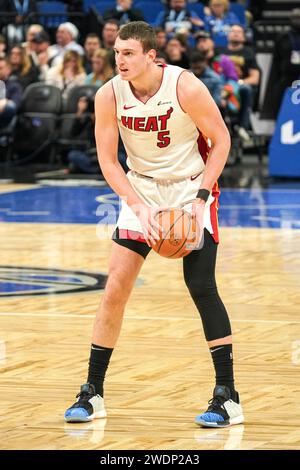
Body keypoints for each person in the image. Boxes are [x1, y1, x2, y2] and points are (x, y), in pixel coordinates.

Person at [64, 21, 244, 428]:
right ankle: (92, 392)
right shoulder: (108, 95)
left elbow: (222, 141)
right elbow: (109, 161)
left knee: (201, 286)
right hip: (141, 189)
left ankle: (228, 396)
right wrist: (136, 205)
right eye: (116, 53)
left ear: (151, 55)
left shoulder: (185, 87)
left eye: (128, 53)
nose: (120, 61)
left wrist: (200, 198)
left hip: (190, 188)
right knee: (115, 287)